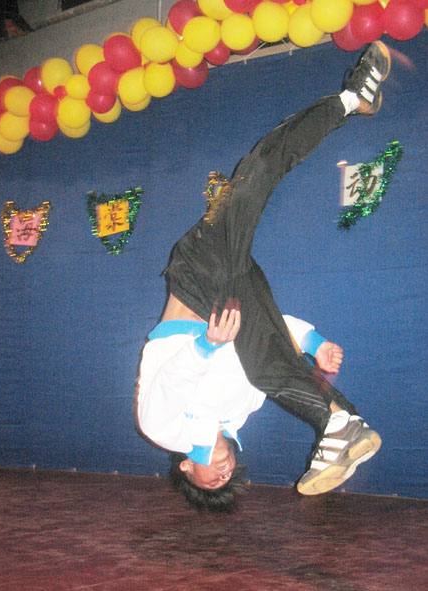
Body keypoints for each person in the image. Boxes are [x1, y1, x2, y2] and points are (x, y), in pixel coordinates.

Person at [135, 42, 390, 512]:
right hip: (230, 292)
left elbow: (170, 382)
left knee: (258, 172)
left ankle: (352, 98)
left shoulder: (163, 431)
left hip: (197, 275)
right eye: (229, 477)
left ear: (187, 468)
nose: (223, 473)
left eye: (211, 481)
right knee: (269, 366)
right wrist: (312, 344)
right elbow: (268, 334)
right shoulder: (241, 408)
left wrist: (206, 347)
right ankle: (341, 424)